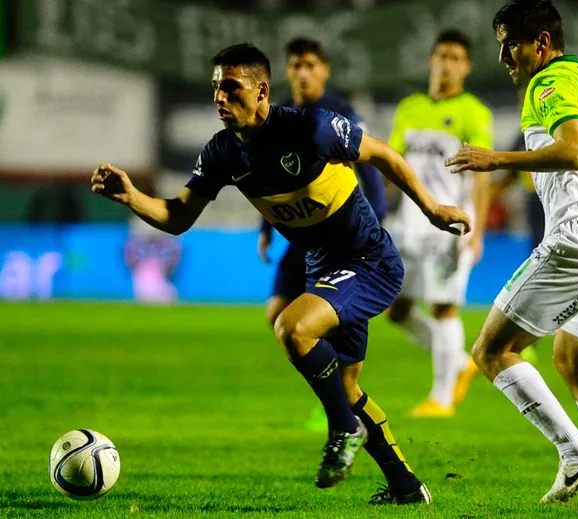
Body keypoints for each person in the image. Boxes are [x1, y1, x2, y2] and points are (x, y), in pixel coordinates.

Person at [91, 42, 472, 505]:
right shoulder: (223, 154)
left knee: (291, 327)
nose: (220, 97)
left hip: (370, 263)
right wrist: (131, 196)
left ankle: (342, 430)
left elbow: (384, 155)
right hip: (323, 270)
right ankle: (407, 487)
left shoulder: (310, 128)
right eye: (216, 88)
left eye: (231, 88)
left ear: (262, 90)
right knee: (347, 389)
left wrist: (431, 208)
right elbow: (177, 217)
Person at [445, 0, 578, 504]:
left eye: (509, 44)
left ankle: (575, 453)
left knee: (491, 351)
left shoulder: (550, 81)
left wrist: (497, 159)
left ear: (540, 42)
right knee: (574, 360)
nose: (503, 58)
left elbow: (574, 151)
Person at [258, 37, 388, 432]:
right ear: (287, 72)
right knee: (277, 314)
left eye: (310, 65)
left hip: (339, 235)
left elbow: (371, 167)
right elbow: (269, 178)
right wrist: (266, 229)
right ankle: (332, 395)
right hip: (300, 237)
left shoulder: (341, 112)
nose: (302, 73)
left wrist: (378, 220)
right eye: (296, 65)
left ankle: (337, 403)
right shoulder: (279, 115)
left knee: (316, 324)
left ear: (325, 70)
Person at [384, 29, 493, 417]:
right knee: (395, 309)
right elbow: (392, 165)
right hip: (410, 222)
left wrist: (476, 231)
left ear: (465, 67)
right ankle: (461, 361)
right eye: (442, 55)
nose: (447, 64)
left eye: (455, 58)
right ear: (431, 59)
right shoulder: (409, 107)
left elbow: (482, 176)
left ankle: (442, 398)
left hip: (452, 224)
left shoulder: (473, 113)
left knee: (444, 305)